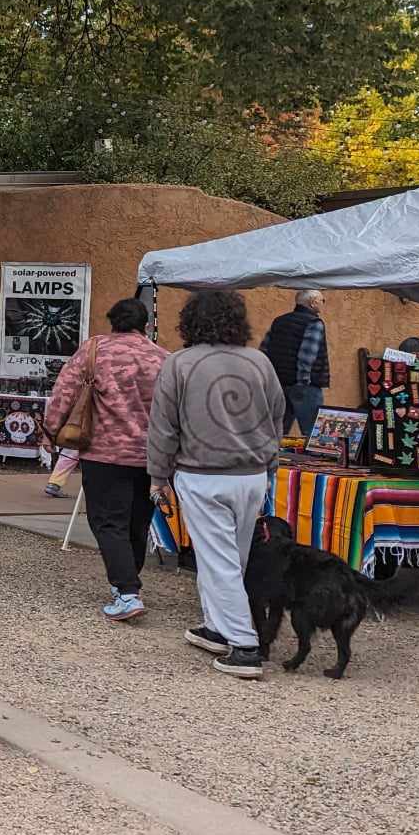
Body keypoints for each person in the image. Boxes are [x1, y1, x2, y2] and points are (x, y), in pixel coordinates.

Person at [148, 289, 287, 680]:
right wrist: (270, 464)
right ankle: (216, 627)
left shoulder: (179, 364)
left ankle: (244, 645)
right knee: (232, 557)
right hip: (252, 475)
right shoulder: (259, 361)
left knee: (219, 560)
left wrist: (158, 476)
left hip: (202, 474)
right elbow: (277, 416)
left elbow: (163, 427)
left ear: (190, 321)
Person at [43, 297, 168, 623]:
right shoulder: (162, 358)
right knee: (138, 522)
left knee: (108, 522)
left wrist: (51, 430)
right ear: (146, 324)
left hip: (104, 452)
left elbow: (64, 393)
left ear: (112, 320)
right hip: (151, 454)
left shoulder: (94, 350)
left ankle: (127, 591)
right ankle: (128, 582)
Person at [259, 288, 331, 438]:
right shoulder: (314, 322)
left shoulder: (279, 321)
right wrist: (303, 381)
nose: (324, 303)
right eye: (322, 300)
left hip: (279, 384)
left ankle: (273, 461)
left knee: (277, 432)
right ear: (313, 303)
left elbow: (264, 350)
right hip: (305, 386)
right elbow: (307, 355)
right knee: (314, 435)